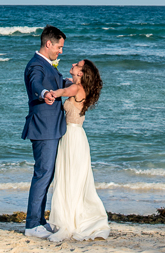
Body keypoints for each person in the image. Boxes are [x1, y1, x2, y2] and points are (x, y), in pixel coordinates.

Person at [41, 59, 109, 241]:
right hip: (77, 136)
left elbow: (64, 91)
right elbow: (67, 86)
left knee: (69, 179)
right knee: (74, 180)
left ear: (81, 73)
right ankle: (73, 218)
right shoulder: (81, 87)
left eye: (77, 64)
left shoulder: (76, 88)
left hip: (71, 137)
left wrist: (52, 93)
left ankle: (68, 221)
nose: (73, 64)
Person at [21, 25, 67, 237]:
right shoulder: (36, 65)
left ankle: (40, 220)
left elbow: (56, 82)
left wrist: (73, 82)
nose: (60, 51)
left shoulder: (48, 64)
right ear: (49, 44)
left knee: (47, 175)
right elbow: (36, 84)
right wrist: (44, 93)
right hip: (43, 128)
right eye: (59, 47)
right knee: (42, 174)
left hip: (51, 128)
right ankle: (32, 225)